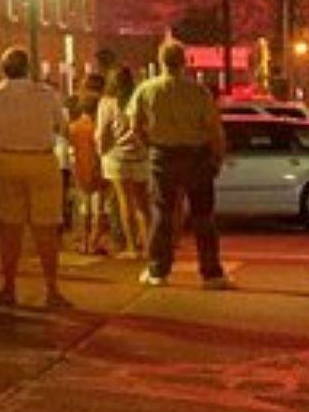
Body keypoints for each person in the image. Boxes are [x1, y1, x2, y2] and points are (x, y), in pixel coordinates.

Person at [0, 46, 76, 310]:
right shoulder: (46, 95)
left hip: (5, 159)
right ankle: (52, 288)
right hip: (40, 159)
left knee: (10, 228)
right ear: (28, 68)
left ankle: (9, 287)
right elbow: (62, 125)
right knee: (45, 229)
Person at [132, 39, 230, 290]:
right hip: (196, 155)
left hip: (162, 155)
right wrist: (217, 157)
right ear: (184, 62)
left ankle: (158, 270)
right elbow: (214, 129)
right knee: (203, 216)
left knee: (162, 215)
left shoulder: (146, 90)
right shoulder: (198, 92)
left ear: (161, 61)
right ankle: (211, 273)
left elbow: (134, 126)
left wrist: (149, 146)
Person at [107, 61, 157, 256]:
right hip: (140, 156)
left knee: (124, 202)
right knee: (142, 203)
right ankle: (149, 245)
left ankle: (131, 247)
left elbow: (102, 133)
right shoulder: (141, 99)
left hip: (117, 156)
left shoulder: (107, 103)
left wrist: (104, 149)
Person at [67, 66, 114, 260]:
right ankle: (94, 241)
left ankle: (84, 241)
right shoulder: (98, 126)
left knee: (83, 206)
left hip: (80, 168)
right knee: (99, 207)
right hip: (99, 167)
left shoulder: (74, 127)